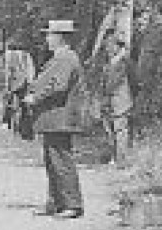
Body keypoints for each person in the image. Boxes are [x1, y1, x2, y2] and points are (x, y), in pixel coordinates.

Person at [24, 18, 85, 218]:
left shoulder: (66, 58)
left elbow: (58, 85)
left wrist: (35, 97)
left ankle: (72, 205)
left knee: (61, 160)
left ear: (61, 38)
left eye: (50, 35)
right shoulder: (61, 57)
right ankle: (57, 202)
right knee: (52, 160)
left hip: (60, 117)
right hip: (53, 118)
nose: (47, 39)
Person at [98, 31, 136, 167]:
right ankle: (113, 158)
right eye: (106, 45)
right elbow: (104, 84)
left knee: (120, 131)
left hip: (122, 102)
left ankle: (121, 160)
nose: (107, 48)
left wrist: (131, 99)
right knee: (109, 131)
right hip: (108, 102)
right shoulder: (107, 64)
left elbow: (134, 82)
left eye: (110, 45)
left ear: (117, 47)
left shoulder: (126, 63)